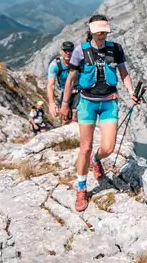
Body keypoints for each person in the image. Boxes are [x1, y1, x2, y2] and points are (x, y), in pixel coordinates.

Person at [60, 14, 141, 212]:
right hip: (87, 103)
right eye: (98, 32)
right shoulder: (81, 51)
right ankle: (81, 189)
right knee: (85, 148)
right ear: (92, 31)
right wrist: (64, 103)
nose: (102, 34)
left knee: (108, 148)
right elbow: (71, 79)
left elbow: (124, 73)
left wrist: (131, 92)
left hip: (109, 103)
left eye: (104, 31)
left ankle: (96, 160)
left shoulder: (116, 49)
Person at [47, 41, 78, 123]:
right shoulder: (55, 65)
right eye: (65, 50)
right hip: (65, 93)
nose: (68, 53)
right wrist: (51, 103)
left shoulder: (79, 62)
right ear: (61, 51)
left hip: (79, 91)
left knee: (75, 115)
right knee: (64, 118)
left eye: (70, 51)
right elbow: (51, 85)